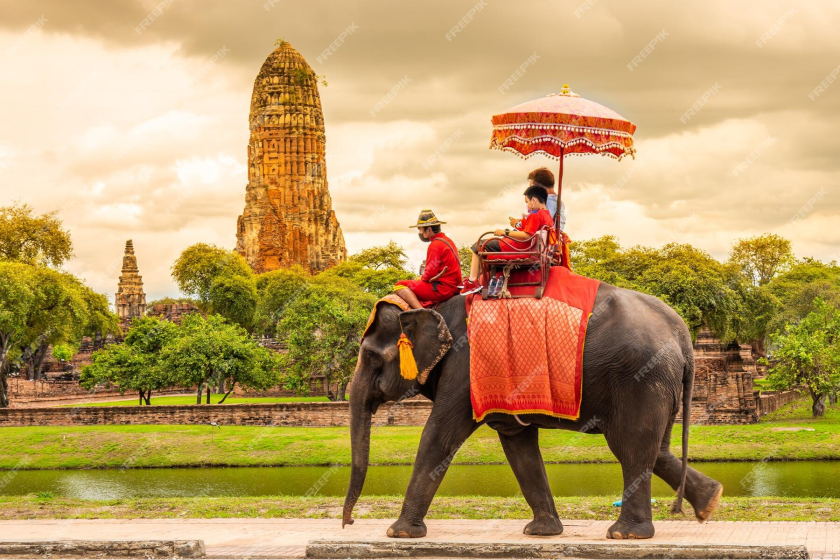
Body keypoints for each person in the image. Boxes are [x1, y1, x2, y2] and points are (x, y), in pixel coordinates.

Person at [462, 185, 554, 294]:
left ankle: (472, 281)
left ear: (534, 200)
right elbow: (528, 227)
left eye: (527, 202)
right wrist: (517, 223)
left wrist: (505, 232)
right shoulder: (546, 215)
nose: (527, 205)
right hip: (525, 246)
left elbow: (527, 235)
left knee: (478, 245)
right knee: (488, 245)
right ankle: (477, 279)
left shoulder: (536, 215)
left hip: (517, 247)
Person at [394, 209, 462, 309]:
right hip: (453, 287)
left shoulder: (435, 245)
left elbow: (429, 274)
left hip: (442, 290)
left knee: (399, 285)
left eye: (421, 229)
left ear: (429, 229)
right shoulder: (447, 241)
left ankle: (421, 310)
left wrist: (421, 279)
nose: (420, 232)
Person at [509, 167, 566, 231]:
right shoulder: (556, 201)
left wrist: (518, 224)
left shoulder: (547, 202)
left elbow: (540, 224)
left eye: (531, 187)